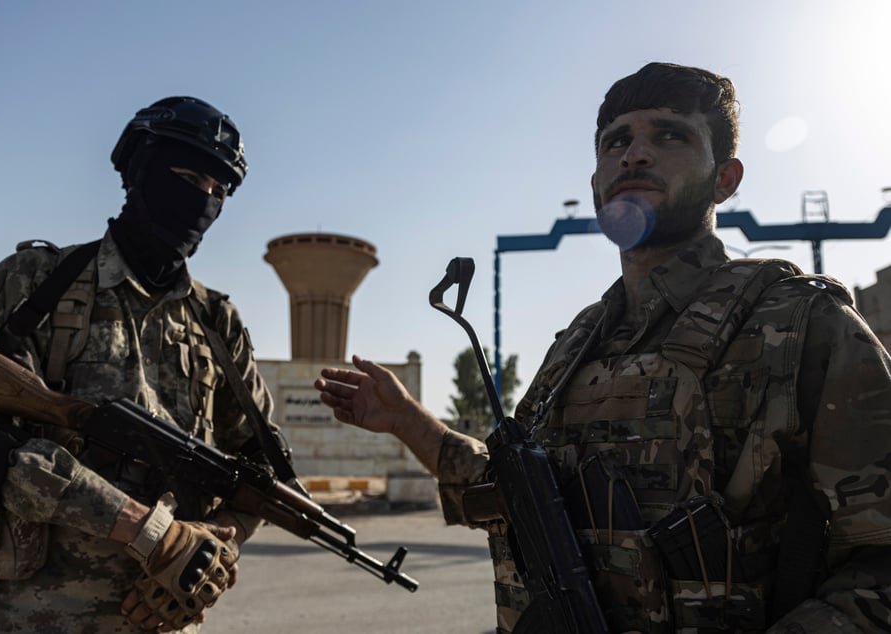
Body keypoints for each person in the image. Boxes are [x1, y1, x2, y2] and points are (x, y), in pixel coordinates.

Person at [315, 63, 891, 633]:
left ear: (725, 179)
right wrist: (406, 420)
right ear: (595, 185)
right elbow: (520, 498)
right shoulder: (575, 347)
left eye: (669, 136)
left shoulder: (802, 327)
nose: (634, 155)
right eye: (616, 142)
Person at [0, 96, 287, 632]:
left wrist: (218, 546)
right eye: (193, 178)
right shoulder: (37, 282)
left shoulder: (219, 323)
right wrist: (144, 530)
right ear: (142, 168)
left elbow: (260, 472)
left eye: (220, 191)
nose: (206, 201)